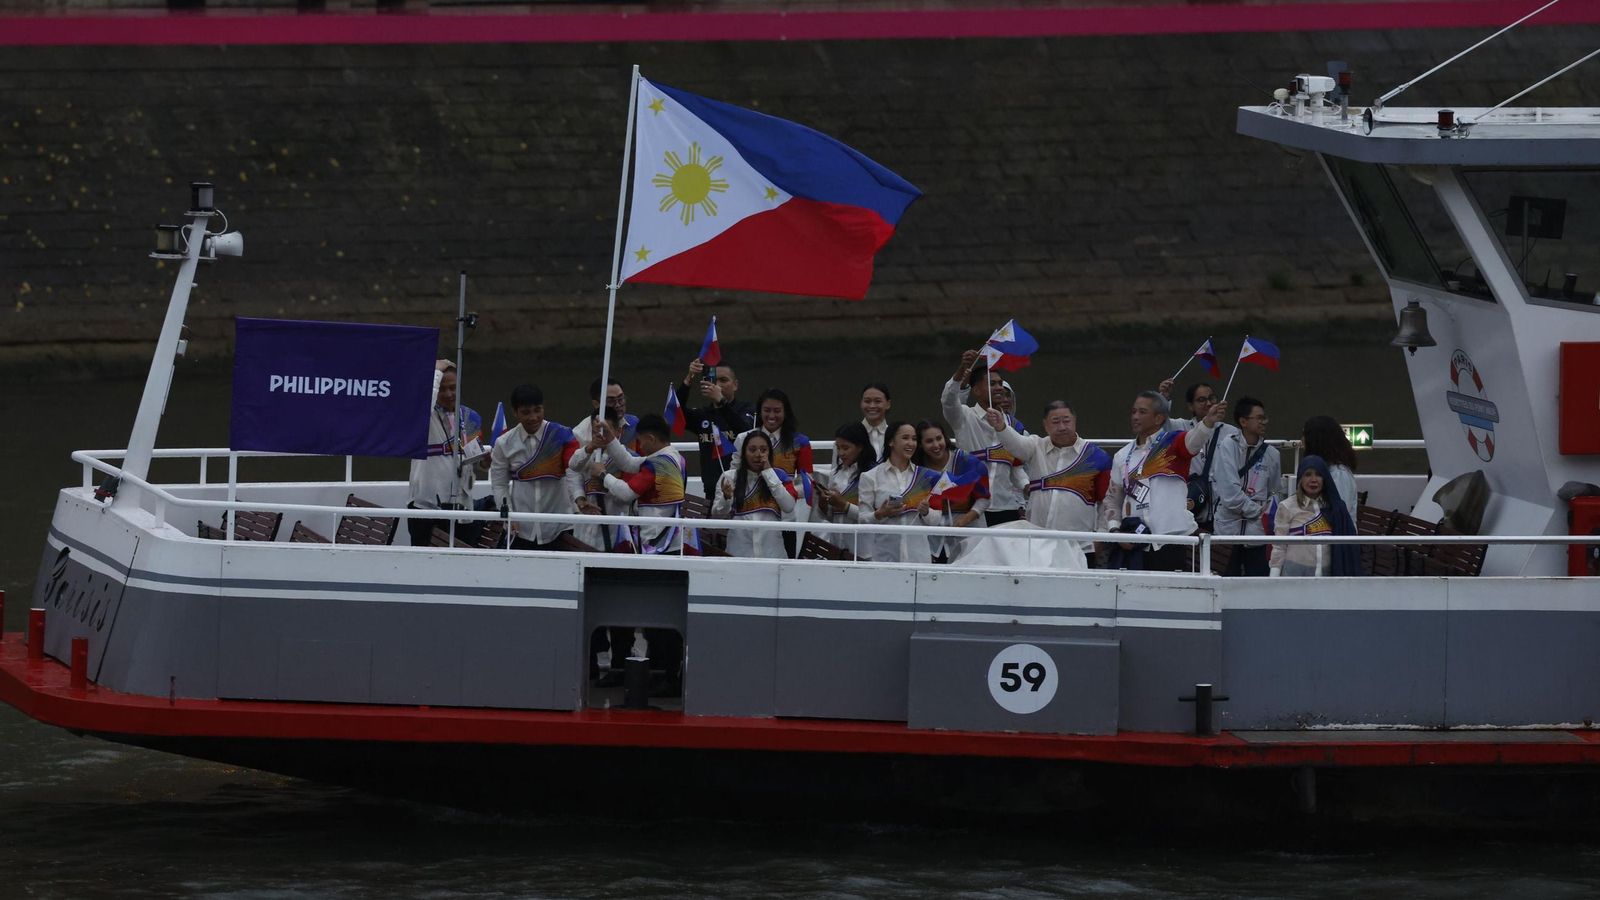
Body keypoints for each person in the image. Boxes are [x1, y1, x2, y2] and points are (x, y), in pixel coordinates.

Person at [1101, 390, 1227, 572]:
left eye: (1142, 412)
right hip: (1135, 543)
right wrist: (1115, 532)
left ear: (1159, 418)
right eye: (1133, 411)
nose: (1135, 417)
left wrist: (1207, 422)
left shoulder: (1174, 442)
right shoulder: (1122, 455)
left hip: (1172, 541)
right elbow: (1112, 499)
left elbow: (1194, 439)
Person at [986, 401, 1112, 568]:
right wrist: (1001, 426)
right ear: (1045, 425)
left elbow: (1106, 503)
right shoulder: (1035, 446)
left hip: (1079, 547)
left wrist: (1100, 538)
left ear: (1075, 420)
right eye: (1055, 422)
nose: (1061, 427)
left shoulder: (1097, 456)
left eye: (1066, 421)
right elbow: (1016, 444)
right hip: (1037, 546)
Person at [489, 383, 581, 551]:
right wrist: (508, 515)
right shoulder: (504, 443)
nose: (533, 417)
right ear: (515, 412)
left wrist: (579, 499)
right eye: (526, 412)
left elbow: (573, 471)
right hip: (521, 528)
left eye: (537, 410)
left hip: (560, 525)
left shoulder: (560, 434)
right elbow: (499, 484)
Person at [940, 349, 1027, 525]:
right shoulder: (964, 417)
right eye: (992, 384)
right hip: (970, 506)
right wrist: (962, 369)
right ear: (976, 390)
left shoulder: (1014, 426)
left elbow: (1016, 468)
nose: (999, 388)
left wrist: (1026, 486)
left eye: (1000, 383)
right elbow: (948, 400)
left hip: (1006, 507)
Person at [407, 360, 484, 547]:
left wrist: (485, 462)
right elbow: (423, 399)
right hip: (426, 506)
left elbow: (474, 460)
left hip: (461, 507)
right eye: (442, 389)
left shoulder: (470, 417)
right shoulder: (424, 416)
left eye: (453, 388)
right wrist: (435, 371)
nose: (448, 394)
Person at [596, 414, 689, 554]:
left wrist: (603, 475)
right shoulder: (676, 457)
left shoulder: (658, 465)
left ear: (651, 439)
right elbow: (628, 463)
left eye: (640, 441)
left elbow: (627, 494)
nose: (639, 446)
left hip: (655, 541)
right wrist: (610, 439)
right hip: (671, 537)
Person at [1212, 396, 1283, 576]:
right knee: (1225, 584)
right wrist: (1258, 512)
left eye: (1264, 418)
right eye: (1259, 418)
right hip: (1227, 533)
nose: (1264, 422)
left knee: (1257, 585)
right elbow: (1230, 494)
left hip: (1257, 534)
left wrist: (1268, 513)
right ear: (1243, 421)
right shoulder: (1227, 446)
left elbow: (1275, 491)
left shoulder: (1272, 454)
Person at [741, 388, 815, 554]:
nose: (771, 416)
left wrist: (787, 491)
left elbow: (808, 482)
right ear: (759, 412)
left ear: (786, 412)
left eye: (777, 411)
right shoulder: (747, 438)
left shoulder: (800, 441)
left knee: (785, 560)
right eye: (767, 410)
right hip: (752, 509)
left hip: (784, 514)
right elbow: (737, 474)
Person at [857, 421, 941, 563]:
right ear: (891, 441)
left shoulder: (925, 476)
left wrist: (926, 512)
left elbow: (936, 520)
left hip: (919, 558)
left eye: (914, 439)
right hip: (884, 559)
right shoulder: (869, 477)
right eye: (905, 438)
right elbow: (862, 520)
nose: (911, 443)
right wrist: (880, 513)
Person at [676, 359, 757, 500]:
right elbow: (675, 414)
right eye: (713, 380)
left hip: (742, 492)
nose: (718, 385)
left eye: (723, 380)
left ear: (735, 385)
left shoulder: (747, 410)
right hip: (711, 492)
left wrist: (721, 402)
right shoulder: (703, 415)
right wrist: (689, 379)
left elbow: (746, 432)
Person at [711, 430, 798, 559]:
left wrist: (768, 473)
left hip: (772, 555)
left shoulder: (778, 476)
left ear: (770, 453)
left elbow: (788, 506)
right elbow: (717, 515)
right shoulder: (729, 477)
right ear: (744, 453)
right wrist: (726, 498)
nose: (758, 455)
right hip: (739, 554)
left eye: (763, 450)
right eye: (752, 450)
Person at [911, 419, 988, 563]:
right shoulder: (916, 468)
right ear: (920, 445)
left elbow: (984, 498)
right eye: (929, 441)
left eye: (939, 439)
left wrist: (966, 519)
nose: (936, 445)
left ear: (945, 437)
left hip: (969, 535)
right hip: (933, 540)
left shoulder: (966, 460)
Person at [1271, 455, 1361, 576]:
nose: (1314, 480)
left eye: (1318, 474)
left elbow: (1348, 544)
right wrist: (1273, 578)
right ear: (1300, 479)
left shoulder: (1336, 508)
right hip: (1294, 575)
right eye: (1308, 474)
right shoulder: (1287, 506)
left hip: (1326, 576)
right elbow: (1279, 547)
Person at [567, 406, 633, 552]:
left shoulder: (628, 458)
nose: (600, 436)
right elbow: (572, 470)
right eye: (595, 431)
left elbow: (628, 496)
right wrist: (579, 498)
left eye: (606, 431)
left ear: (618, 431)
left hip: (615, 534)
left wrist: (605, 480)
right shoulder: (585, 453)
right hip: (584, 533)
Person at [812, 422, 872, 556]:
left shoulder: (873, 474)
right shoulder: (836, 474)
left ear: (860, 447)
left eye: (846, 448)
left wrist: (844, 505)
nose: (841, 453)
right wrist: (823, 503)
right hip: (836, 548)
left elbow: (873, 517)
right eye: (838, 448)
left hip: (863, 551)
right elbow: (830, 516)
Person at [1302, 415, 1359, 515]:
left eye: (1305, 435)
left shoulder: (1339, 474)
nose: (1302, 440)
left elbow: (1339, 514)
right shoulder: (1324, 471)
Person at [573, 377, 638, 452]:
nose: (618, 405)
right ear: (596, 404)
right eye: (611, 401)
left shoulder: (634, 423)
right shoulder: (580, 434)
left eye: (621, 399)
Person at [858, 382, 892, 462]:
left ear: (888, 404)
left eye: (877, 401)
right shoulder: (849, 435)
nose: (872, 406)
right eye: (867, 401)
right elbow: (837, 471)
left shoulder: (895, 435)